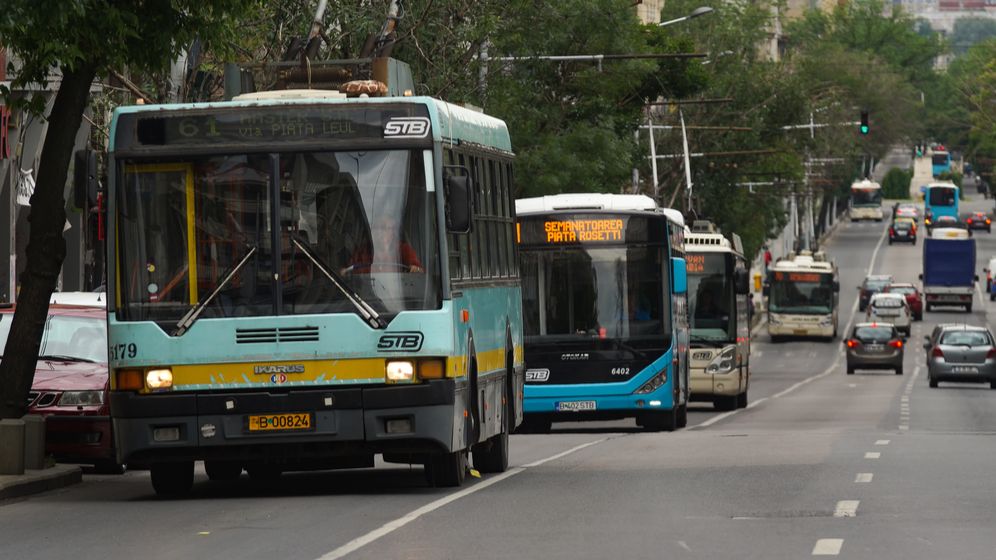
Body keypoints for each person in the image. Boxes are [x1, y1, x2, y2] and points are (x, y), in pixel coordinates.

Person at [344, 216, 423, 274]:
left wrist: (416, 269)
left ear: (393, 232)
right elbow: (348, 271)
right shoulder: (362, 252)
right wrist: (344, 272)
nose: (381, 232)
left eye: (385, 228)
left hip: (397, 294)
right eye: (377, 228)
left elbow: (418, 270)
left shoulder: (404, 250)